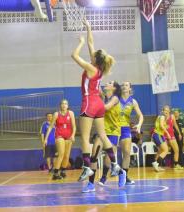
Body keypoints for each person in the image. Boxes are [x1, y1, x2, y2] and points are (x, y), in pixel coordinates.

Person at [71, 19, 120, 187]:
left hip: (89, 103)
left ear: (94, 58)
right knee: (103, 135)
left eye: (92, 53)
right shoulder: (98, 68)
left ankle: (87, 167)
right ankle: (114, 164)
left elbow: (74, 56)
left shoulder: (91, 68)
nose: (90, 52)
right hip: (99, 104)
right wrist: (88, 27)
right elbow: (92, 43)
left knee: (84, 137)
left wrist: (81, 43)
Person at [90, 81, 126, 190]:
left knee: (108, 159)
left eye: (110, 83)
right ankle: (91, 183)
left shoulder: (115, 98)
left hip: (113, 131)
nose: (107, 83)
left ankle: (114, 174)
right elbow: (95, 84)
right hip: (102, 131)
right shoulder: (103, 96)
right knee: (94, 155)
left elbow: (106, 108)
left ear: (114, 88)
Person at [118, 81, 144, 184]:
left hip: (125, 128)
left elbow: (141, 116)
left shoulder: (133, 102)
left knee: (127, 153)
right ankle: (104, 177)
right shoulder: (116, 99)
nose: (124, 86)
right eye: (122, 85)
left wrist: (139, 124)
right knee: (110, 152)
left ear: (130, 89)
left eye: (126, 85)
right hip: (114, 128)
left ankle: (125, 176)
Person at [45, 99, 76, 180]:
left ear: (68, 106)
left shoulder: (71, 113)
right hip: (59, 136)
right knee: (61, 154)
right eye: (62, 103)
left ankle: (63, 171)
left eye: (65, 103)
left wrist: (73, 135)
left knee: (66, 156)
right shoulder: (56, 114)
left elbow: (74, 126)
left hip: (69, 136)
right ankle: (55, 173)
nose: (64, 105)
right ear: (60, 105)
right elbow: (51, 126)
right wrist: (46, 138)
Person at [151, 106, 171, 172]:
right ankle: (157, 164)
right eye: (165, 110)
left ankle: (155, 163)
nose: (166, 112)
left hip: (158, 135)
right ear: (162, 111)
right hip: (158, 134)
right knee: (166, 150)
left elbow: (161, 125)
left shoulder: (161, 117)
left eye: (167, 111)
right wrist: (167, 133)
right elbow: (162, 126)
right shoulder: (162, 116)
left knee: (160, 150)